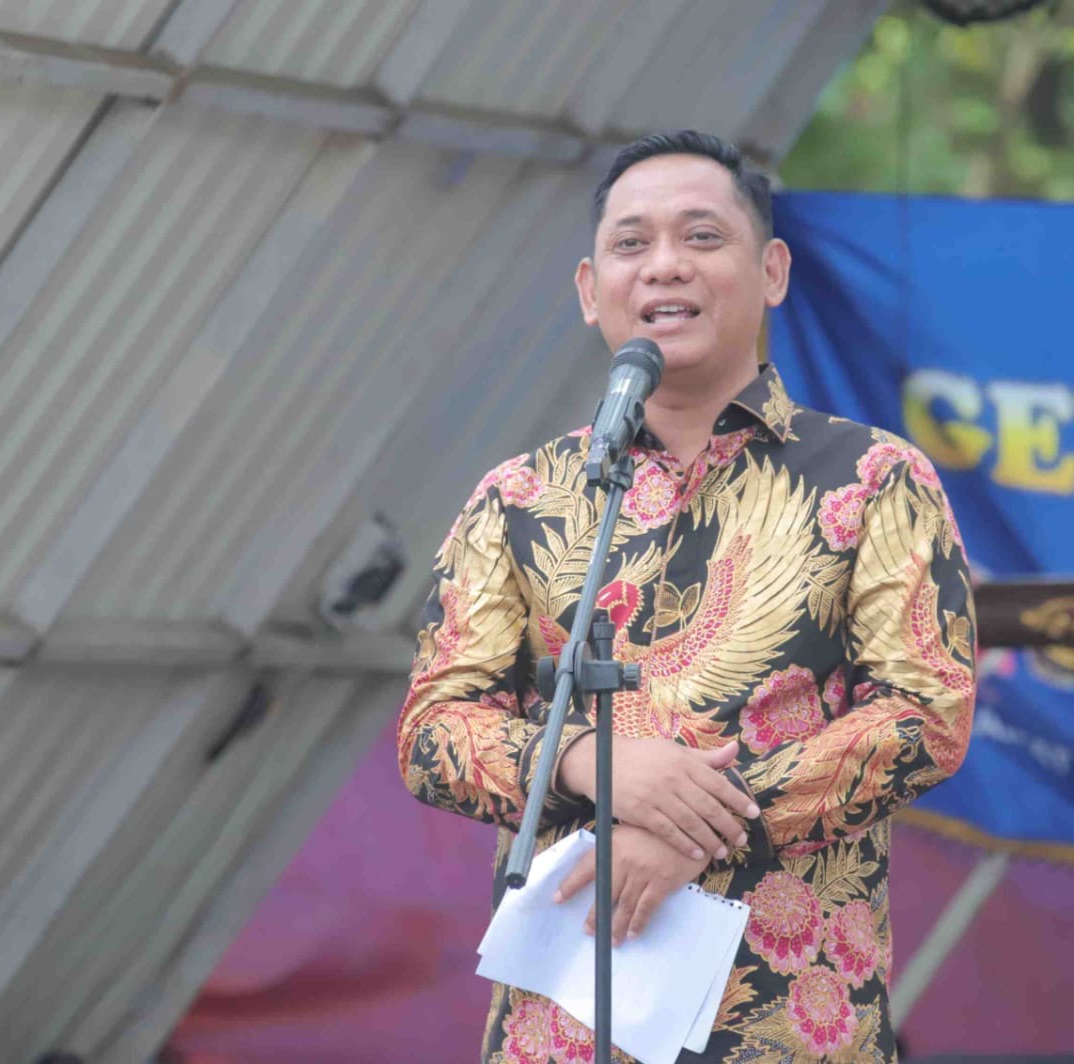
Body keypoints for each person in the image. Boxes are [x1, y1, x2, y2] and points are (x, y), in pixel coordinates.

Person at [398, 129, 976, 1062]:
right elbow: (433, 733)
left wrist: (705, 826)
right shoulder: (520, 499)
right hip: (561, 1029)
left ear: (772, 272)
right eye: (632, 244)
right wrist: (589, 762)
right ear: (591, 291)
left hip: (787, 1024)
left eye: (702, 236)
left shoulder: (873, 480)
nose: (665, 264)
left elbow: (925, 715)